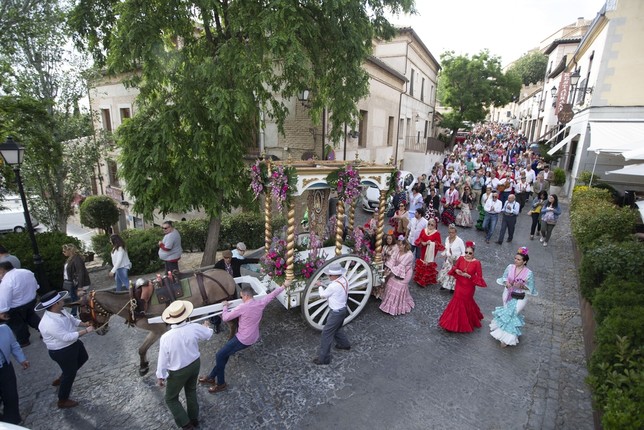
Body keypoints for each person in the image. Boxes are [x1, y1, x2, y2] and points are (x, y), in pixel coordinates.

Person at [200, 283, 285, 388]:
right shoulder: (260, 303)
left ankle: (220, 384)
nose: (241, 299)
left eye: (241, 296)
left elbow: (226, 318)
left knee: (219, 355)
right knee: (224, 355)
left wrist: (225, 307)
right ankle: (211, 377)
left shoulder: (242, 307)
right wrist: (284, 286)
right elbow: (272, 295)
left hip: (243, 339)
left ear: (246, 296)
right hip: (253, 337)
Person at [156, 300, 213, 430]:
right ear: (185, 315)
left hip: (178, 372)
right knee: (191, 391)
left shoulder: (166, 337)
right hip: (194, 365)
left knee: (170, 399)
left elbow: (162, 359)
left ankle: (186, 425)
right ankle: (194, 419)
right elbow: (208, 334)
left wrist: (161, 376)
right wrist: (206, 326)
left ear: (170, 318)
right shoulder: (193, 327)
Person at [36, 290, 94, 409]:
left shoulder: (61, 311)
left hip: (73, 344)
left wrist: (85, 324)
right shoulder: (49, 323)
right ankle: (62, 400)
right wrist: (86, 331)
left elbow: (72, 320)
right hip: (61, 351)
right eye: (60, 300)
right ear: (55, 304)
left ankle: (63, 377)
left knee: (84, 357)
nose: (63, 301)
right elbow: (66, 337)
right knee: (70, 373)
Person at [489, 247, 537, 347]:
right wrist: (507, 283)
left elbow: (531, 288)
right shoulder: (510, 267)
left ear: (524, 261)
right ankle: (502, 333)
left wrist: (523, 286)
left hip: (520, 297)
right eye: (515, 258)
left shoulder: (529, 273)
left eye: (519, 259)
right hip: (508, 293)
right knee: (507, 312)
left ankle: (507, 339)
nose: (516, 260)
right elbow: (504, 277)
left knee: (513, 314)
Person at [438, 241, 487, 332]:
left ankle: (465, 321)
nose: (467, 255)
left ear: (473, 253)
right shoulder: (461, 258)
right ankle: (451, 323)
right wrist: (457, 271)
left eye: (470, 253)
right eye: (466, 252)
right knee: (456, 302)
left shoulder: (477, 263)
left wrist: (470, 276)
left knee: (465, 303)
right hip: (459, 284)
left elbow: (480, 278)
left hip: (468, 287)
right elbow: (455, 267)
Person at [312, 265, 351, 365]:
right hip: (343, 309)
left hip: (336, 312)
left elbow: (323, 295)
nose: (329, 276)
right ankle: (345, 344)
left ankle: (324, 359)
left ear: (334, 275)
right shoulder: (344, 279)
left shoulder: (333, 286)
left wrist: (320, 285)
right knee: (336, 329)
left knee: (326, 334)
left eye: (330, 275)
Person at [0, 262, 40, 347]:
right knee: (32, 317)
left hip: (16, 306)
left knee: (18, 324)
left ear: (2, 270)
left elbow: (5, 298)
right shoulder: (26, 272)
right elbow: (36, 286)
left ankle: (23, 341)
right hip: (31, 300)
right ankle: (45, 331)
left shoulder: (7, 280)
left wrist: (2, 311)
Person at [0, 312, 30, 424]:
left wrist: (22, 359)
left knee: (11, 395)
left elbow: (14, 345)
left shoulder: (4, 329)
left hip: (5, 368)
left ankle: (13, 422)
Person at [379, 236, 415, 316]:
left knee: (397, 285)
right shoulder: (398, 250)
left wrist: (391, 271)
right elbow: (392, 260)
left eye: (400, 245)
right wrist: (388, 268)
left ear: (405, 245)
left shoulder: (409, 255)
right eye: (398, 245)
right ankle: (388, 305)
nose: (399, 247)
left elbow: (401, 266)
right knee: (390, 282)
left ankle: (396, 307)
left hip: (406, 273)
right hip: (397, 271)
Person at [413, 217, 443, 288]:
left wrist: (431, 243)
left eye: (432, 225)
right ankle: (419, 278)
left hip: (431, 252)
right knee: (422, 261)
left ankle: (426, 280)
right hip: (423, 250)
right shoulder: (424, 230)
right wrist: (422, 242)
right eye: (429, 224)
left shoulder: (437, 233)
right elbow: (420, 238)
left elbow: (439, 244)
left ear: (435, 225)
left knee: (428, 264)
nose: (430, 226)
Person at [62, 243, 91, 317]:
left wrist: (80, 286)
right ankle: (75, 312)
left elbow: (80, 272)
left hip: (77, 283)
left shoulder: (76, 258)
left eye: (64, 251)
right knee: (74, 298)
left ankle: (85, 313)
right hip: (73, 282)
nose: (63, 253)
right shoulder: (71, 258)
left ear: (69, 251)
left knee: (81, 299)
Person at [437, 224, 465, 292]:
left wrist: (459, 260)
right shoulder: (447, 238)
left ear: (455, 233)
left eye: (452, 232)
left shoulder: (459, 241)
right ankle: (444, 285)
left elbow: (464, 252)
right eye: (449, 232)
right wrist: (443, 254)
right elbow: (446, 249)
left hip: (456, 260)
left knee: (453, 275)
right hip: (448, 259)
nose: (451, 234)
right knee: (445, 272)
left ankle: (452, 288)